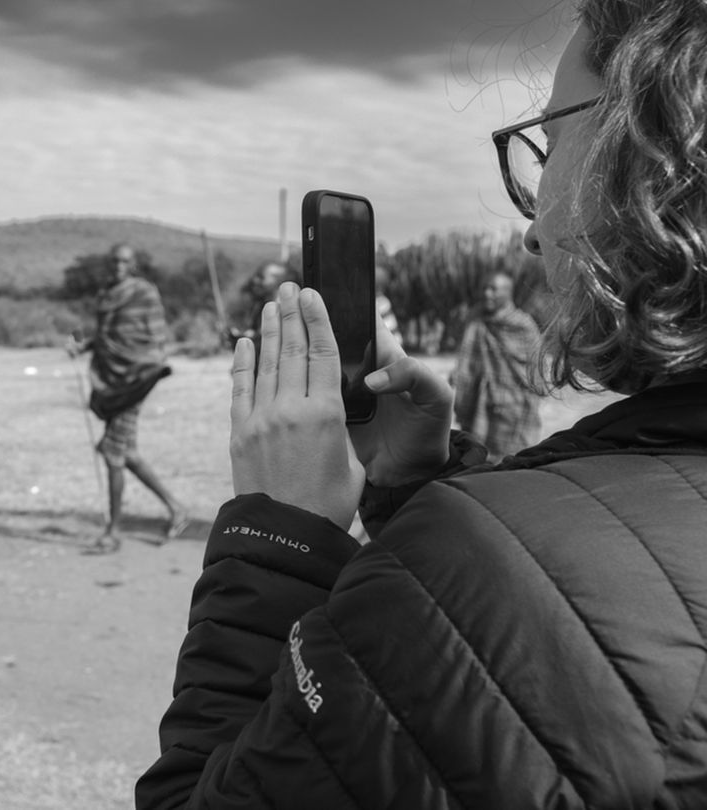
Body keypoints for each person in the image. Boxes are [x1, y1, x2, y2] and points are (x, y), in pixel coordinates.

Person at [138, 5, 707, 806]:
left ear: (653, 162)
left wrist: (276, 528)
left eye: (550, 145)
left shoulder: (482, 568)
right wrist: (431, 483)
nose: (532, 234)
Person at [66, 243, 188, 554]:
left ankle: (113, 530)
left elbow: (154, 335)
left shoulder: (144, 292)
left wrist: (149, 364)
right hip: (110, 378)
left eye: (124, 261)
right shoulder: (106, 293)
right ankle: (176, 508)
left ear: (132, 264)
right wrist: (82, 346)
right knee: (126, 452)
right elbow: (107, 335)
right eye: (114, 261)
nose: (118, 266)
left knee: (112, 452)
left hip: (136, 378)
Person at [452, 270, 544, 461]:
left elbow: (536, 372)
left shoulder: (523, 325)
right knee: (476, 455)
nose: (487, 293)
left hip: (513, 407)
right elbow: (467, 360)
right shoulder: (475, 319)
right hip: (478, 400)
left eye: (493, 289)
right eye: (484, 288)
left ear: (508, 292)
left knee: (510, 461)